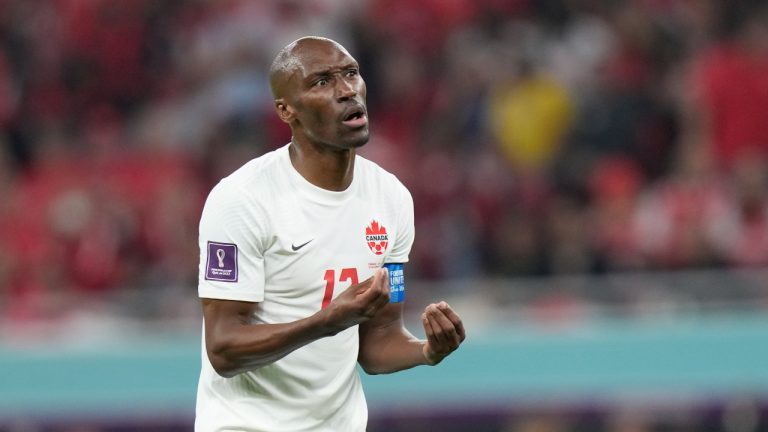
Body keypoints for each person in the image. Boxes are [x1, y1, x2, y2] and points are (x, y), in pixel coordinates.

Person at [194, 36, 466, 432]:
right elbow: (223, 347)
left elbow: (378, 342)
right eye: (321, 82)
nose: (346, 90)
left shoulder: (391, 199)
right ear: (287, 111)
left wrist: (427, 351)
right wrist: (326, 321)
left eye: (351, 74)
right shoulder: (241, 199)